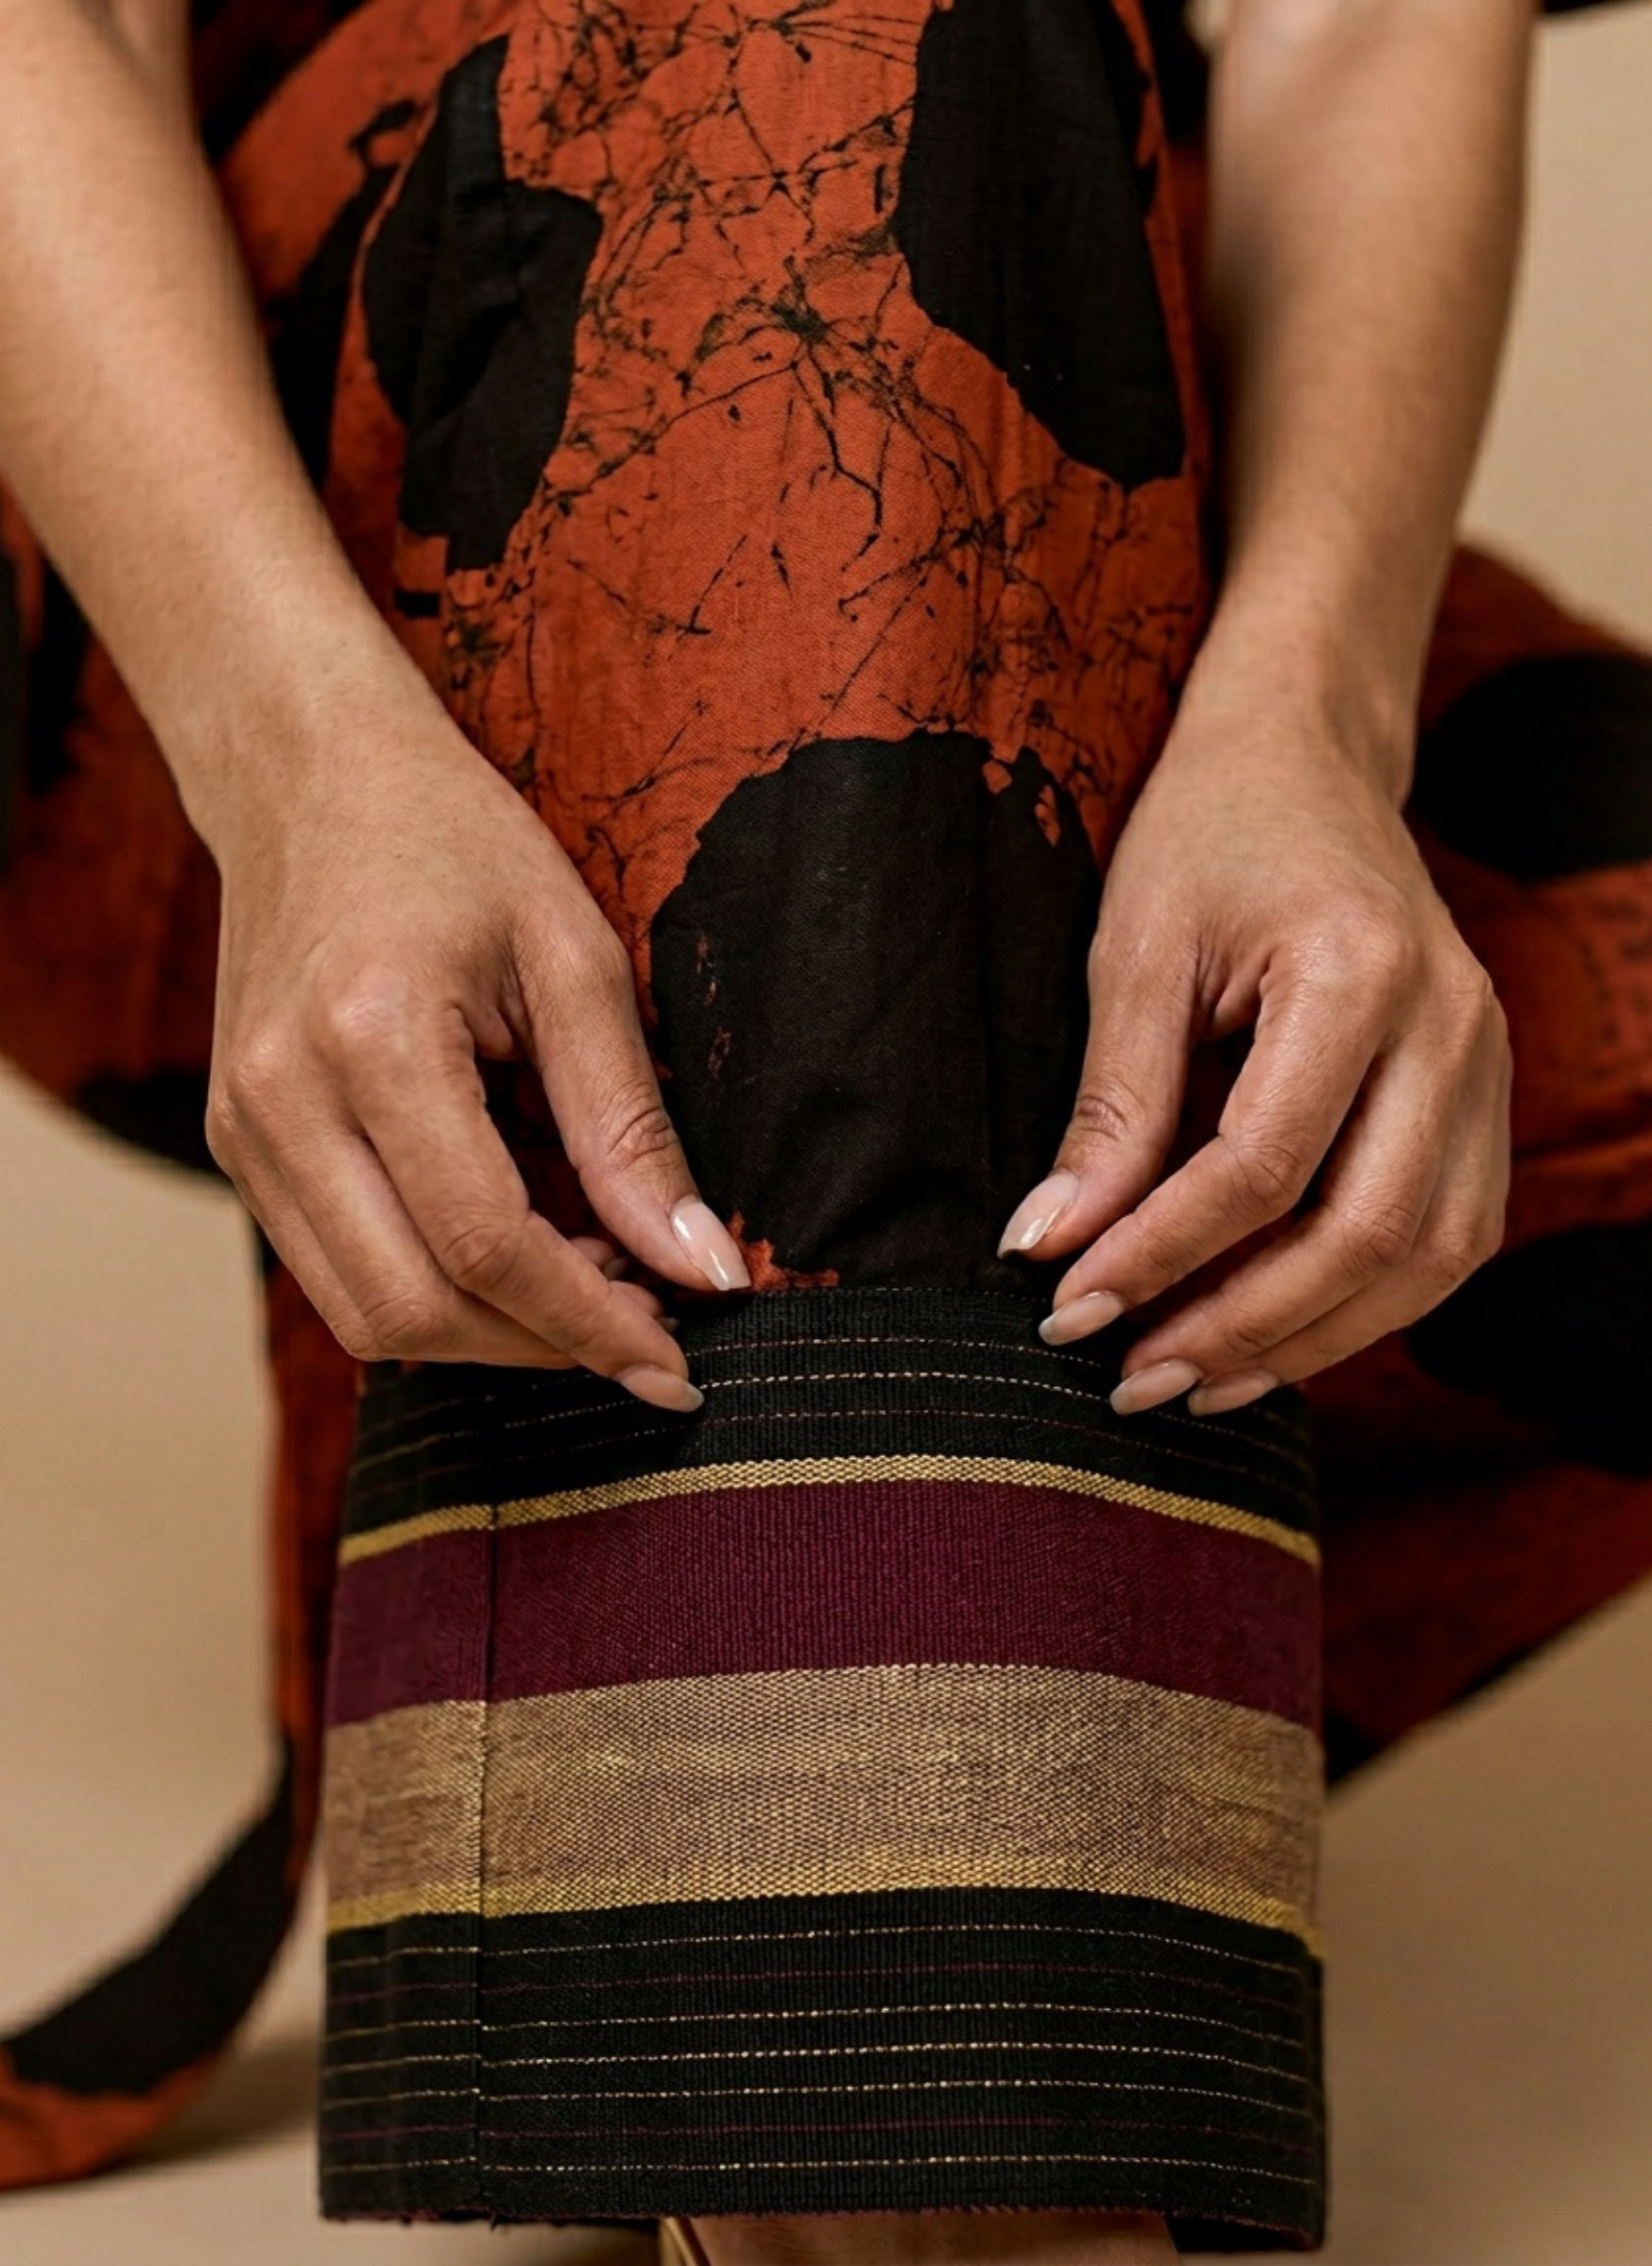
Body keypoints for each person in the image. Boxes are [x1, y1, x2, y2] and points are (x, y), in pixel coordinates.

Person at [0, 0, 1647, 2257]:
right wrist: (292, 753)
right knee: (839, 48)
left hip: (1014, 484)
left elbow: (1354, 17)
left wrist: (1311, 725)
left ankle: (828, 1757)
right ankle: (893, 2094)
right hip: (163, 562)